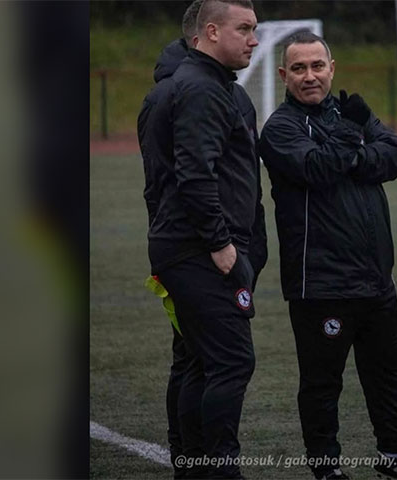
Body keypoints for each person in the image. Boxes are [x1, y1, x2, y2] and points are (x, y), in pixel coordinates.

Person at [259, 31, 397, 480]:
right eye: (299, 68)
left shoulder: (347, 110)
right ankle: (327, 470)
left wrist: (347, 154)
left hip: (376, 281)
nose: (310, 76)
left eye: (317, 65)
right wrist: (352, 142)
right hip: (321, 285)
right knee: (321, 385)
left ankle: (394, 456)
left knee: (387, 375)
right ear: (284, 75)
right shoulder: (280, 129)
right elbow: (317, 169)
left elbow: (392, 156)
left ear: (331, 68)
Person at [137, 1, 263, 478]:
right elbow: (194, 175)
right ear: (211, 32)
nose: (254, 40)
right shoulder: (201, 88)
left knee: (199, 362)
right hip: (198, 250)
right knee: (231, 362)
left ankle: (192, 468)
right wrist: (222, 245)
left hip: (186, 247)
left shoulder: (203, 86)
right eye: (245, 29)